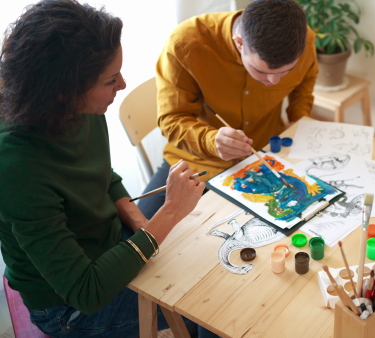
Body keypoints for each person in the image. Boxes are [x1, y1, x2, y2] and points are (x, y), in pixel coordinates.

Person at [0, 1, 211, 337]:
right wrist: (169, 213)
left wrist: (146, 227)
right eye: (111, 79)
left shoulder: (79, 109)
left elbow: (103, 176)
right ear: (61, 92)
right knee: (207, 307)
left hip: (107, 246)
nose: (123, 85)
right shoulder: (16, 164)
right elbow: (87, 291)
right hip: (67, 306)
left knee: (211, 263)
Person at [137, 0, 318, 219]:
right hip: (196, 162)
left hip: (266, 157)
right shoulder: (186, 43)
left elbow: (305, 84)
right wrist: (211, 141)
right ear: (240, 42)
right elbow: (171, 120)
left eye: (286, 71)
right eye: (261, 71)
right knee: (136, 233)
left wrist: (300, 119)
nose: (273, 81)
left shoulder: (304, 39)